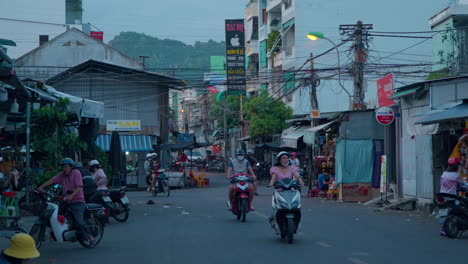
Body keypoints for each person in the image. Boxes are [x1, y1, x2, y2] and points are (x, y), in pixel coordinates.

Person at [38, 158, 96, 247]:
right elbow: (52, 180)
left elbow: (79, 187)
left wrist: (71, 196)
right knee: (54, 215)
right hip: (65, 200)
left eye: (66, 167)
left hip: (77, 201)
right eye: (63, 167)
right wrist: (41, 187)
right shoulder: (62, 174)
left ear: (71, 167)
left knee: (79, 221)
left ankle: (91, 238)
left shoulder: (76, 173)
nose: (64, 169)